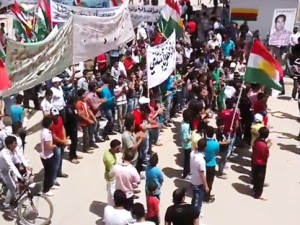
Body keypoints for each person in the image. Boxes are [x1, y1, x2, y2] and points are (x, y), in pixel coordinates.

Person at [0, 136, 26, 210]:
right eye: (15, 143)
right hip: (2, 171)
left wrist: (26, 166)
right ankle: (6, 205)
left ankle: (15, 199)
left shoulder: (14, 149)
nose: (16, 145)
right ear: (9, 145)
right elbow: (11, 165)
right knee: (13, 187)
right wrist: (20, 176)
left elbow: (20, 156)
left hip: (9, 170)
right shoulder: (4, 154)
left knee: (17, 184)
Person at [190, 138, 209, 215]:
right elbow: (202, 174)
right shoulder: (201, 160)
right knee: (199, 201)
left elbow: (195, 148)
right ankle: (196, 216)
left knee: (194, 199)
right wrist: (206, 186)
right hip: (199, 183)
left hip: (192, 180)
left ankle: (191, 213)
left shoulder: (192, 153)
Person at [39, 116, 57, 196]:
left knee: (50, 172)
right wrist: (54, 146)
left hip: (48, 155)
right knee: (49, 173)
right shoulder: (46, 134)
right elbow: (48, 146)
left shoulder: (44, 131)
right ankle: (45, 190)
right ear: (50, 123)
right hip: (47, 157)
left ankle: (50, 184)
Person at [50, 107, 69, 182]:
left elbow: (62, 128)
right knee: (56, 161)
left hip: (61, 142)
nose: (56, 117)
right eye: (54, 116)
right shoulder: (51, 124)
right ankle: (53, 178)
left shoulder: (60, 118)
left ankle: (59, 172)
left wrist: (64, 138)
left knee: (60, 159)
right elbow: (54, 137)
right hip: (56, 144)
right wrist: (62, 142)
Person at [252, 127, 271, 200]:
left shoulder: (257, 141)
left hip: (254, 161)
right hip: (261, 163)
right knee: (260, 178)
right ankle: (258, 194)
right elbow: (266, 155)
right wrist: (268, 147)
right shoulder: (263, 145)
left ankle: (255, 189)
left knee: (255, 176)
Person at [76, 88, 96, 154]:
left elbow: (89, 110)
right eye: (84, 94)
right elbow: (80, 115)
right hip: (84, 122)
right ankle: (85, 149)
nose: (85, 95)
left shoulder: (84, 102)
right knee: (86, 135)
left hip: (88, 120)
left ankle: (89, 145)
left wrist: (93, 117)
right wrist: (88, 120)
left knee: (90, 134)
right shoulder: (78, 104)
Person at [103, 139, 121, 206]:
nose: (119, 150)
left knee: (110, 193)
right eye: (117, 149)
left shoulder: (109, 151)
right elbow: (112, 172)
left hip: (109, 175)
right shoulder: (109, 159)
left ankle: (110, 204)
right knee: (112, 193)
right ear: (112, 148)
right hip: (111, 178)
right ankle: (112, 206)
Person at [65, 97, 83, 163]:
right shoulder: (68, 110)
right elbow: (74, 117)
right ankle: (72, 157)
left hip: (74, 128)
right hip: (70, 128)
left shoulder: (73, 108)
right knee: (72, 142)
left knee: (75, 142)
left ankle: (74, 154)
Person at [203, 126, 219, 203]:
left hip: (203, 164)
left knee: (203, 180)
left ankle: (204, 194)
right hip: (211, 165)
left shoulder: (203, 142)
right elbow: (217, 152)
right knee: (210, 182)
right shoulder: (215, 144)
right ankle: (207, 197)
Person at [180, 109, 192, 179]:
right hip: (187, 145)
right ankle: (186, 174)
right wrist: (192, 136)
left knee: (187, 159)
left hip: (186, 144)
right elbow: (185, 138)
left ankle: (187, 172)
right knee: (187, 160)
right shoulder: (185, 126)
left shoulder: (183, 123)